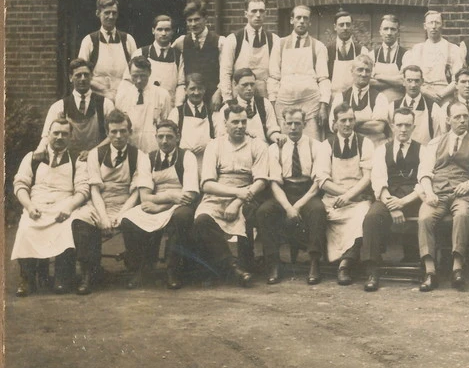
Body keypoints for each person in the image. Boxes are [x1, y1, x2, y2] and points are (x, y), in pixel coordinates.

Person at [194, 102, 269, 286]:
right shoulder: (214, 145)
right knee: (202, 220)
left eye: (243, 122)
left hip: (247, 194)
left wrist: (237, 201)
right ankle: (232, 266)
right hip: (218, 194)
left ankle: (243, 263)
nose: (240, 126)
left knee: (248, 213)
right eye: (235, 122)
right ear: (225, 123)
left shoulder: (257, 145)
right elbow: (207, 184)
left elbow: (261, 180)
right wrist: (236, 193)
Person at [119, 119, 199, 290]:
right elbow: (145, 195)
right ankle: (142, 268)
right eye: (161, 137)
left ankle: (172, 270)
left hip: (179, 205)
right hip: (161, 202)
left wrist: (163, 206)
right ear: (155, 137)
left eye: (169, 137)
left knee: (181, 216)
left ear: (178, 137)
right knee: (128, 220)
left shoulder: (187, 156)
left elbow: (190, 194)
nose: (164, 141)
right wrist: (170, 196)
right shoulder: (148, 158)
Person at [416, 101, 469, 292]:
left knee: (463, 215)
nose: (462, 120)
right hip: (437, 193)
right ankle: (430, 272)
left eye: (465, 116)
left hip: (461, 193)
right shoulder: (434, 143)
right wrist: (429, 192)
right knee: (424, 218)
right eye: (457, 117)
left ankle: (457, 268)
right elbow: (424, 172)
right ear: (448, 120)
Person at [12, 118, 89, 296]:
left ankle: (62, 278)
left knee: (66, 228)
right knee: (26, 228)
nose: (59, 137)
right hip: (36, 206)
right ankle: (27, 279)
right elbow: (20, 185)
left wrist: (69, 207)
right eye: (56, 133)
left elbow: (83, 190)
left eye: (64, 134)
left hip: (63, 206)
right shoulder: (33, 157)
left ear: (71, 137)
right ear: (48, 135)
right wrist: (29, 206)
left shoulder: (77, 159)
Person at [71, 110, 141, 294]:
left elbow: (136, 192)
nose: (118, 136)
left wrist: (121, 214)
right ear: (108, 133)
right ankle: (89, 272)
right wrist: (102, 217)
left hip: (126, 203)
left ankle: (136, 269)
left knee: (135, 219)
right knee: (81, 218)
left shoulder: (138, 155)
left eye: (123, 131)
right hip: (100, 202)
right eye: (114, 132)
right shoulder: (95, 154)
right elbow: (94, 189)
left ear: (130, 132)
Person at [258, 107, 329, 286]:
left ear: (304, 124)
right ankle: (274, 263)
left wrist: (298, 206)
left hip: (308, 191)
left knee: (318, 210)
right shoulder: (275, 148)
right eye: (289, 124)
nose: (293, 128)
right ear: (283, 125)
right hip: (284, 191)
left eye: (297, 123)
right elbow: (274, 182)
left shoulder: (316, 146)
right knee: (264, 211)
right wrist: (288, 207)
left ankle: (314, 262)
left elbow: (317, 182)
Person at [361, 108, 424, 292]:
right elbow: (379, 179)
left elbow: (423, 181)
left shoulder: (423, 150)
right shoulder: (382, 150)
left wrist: (403, 203)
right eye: (399, 125)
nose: (403, 129)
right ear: (392, 126)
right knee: (372, 217)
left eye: (407, 125)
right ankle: (372, 270)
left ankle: (421, 266)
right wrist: (392, 205)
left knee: (427, 216)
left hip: (413, 199)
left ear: (413, 127)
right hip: (388, 197)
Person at [317, 104, 374, 285]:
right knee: (324, 216)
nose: (348, 124)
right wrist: (343, 195)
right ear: (335, 123)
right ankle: (335, 260)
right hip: (334, 198)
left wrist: (350, 196)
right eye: (343, 120)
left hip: (357, 199)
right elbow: (323, 180)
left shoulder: (365, 143)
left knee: (362, 216)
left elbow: (367, 177)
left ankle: (345, 265)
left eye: (351, 120)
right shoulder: (326, 145)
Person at [268, 4, 331, 140]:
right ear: (292, 20)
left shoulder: (318, 47)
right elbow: (273, 77)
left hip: (310, 105)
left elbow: (323, 79)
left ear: (309, 22)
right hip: (285, 103)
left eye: (305, 18)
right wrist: (273, 105)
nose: (302, 21)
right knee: (285, 142)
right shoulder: (280, 44)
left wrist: (323, 106)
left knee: (312, 142)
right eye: (298, 18)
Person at [38, 58, 115, 156]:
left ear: (91, 77)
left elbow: (113, 135)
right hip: (68, 161)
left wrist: (93, 153)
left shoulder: (106, 104)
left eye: (86, 75)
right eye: (78, 75)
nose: (82, 78)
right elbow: (46, 136)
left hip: (97, 158)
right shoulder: (58, 106)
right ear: (71, 78)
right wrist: (39, 150)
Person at [78, 0, 137, 101]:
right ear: (97, 13)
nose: (111, 16)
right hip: (97, 97)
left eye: (114, 13)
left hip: (125, 98)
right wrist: (105, 92)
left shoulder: (128, 40)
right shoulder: (89, 41)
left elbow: (137, 70)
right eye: (106, 12)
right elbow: (81, 72)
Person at [219, 0, 276, 103]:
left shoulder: (274, 40)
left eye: (261, 11)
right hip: (239, 97)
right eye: (254, 11)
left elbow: (275, 75)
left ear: (265, 14)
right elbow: (225, 72)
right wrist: (227, 99)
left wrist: (273, 99)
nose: (258, 15)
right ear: (246, 14)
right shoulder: (233, 39)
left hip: (265, 97)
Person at [372, 64, 444, 146]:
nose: (413, 85)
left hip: (424, 155)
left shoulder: (433, 108)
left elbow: (437, 141)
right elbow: (390, 136)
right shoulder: (393, 107)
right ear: (403, 82)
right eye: (409, 80)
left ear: (422, 82)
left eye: (416, 81)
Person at [402, 9, 463, 103]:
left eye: (437, 23)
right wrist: (426, 92)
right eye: (430, 23)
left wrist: (441, 94)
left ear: (442, 25)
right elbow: (408, 77)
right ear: (425, 26)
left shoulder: (453, 49)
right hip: (422, 95)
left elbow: (458, 79)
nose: (434, 26)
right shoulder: (417, 49)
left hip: (445, 97)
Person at [115, 56, 173, 154]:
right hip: (130, 150)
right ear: (129, 74)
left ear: (149, 73)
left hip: (154, 149)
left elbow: (167, 126)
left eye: (143, 76)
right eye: (135, 76)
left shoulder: (162, 94)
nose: (139, 80)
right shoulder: (122, 96)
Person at [329, 54, 388, 147]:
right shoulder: (340, 97)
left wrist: (346, 123)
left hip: (374, 147)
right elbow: (335, 127)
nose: (364, 74)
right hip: (348, 146)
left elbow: (378, 127)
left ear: (371, 73)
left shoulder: (380, 98)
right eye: (360, 70)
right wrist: (366, 120)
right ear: (352, 71)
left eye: (367, 70)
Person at [173, 0, 223, 105]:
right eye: (189, 20)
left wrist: (219, 93)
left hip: (213, 98)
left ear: (205, 19)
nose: (193, 24)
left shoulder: (220, 42)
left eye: (197, 19)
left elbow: (226, 72)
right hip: (191, 98)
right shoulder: (181, 42)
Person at [216, 68, 282, 145]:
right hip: (238, 150)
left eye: (252, 84)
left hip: (263, 149)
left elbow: (272, 128)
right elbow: (222, 136)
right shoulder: (227, 108)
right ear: (235, 85)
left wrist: (277, 137)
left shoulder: (264, 103)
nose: (249, 88)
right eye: (245, 85)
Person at [132, 15, 186, 106]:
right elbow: (130, 80)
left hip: (169, 105)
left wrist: (177, 106)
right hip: (146, 104)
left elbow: (181, 84)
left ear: (173, 31)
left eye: (167, 30)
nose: (163, 33)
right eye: (159, 29)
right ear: (153, 31)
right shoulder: (141, 53)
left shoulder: (178, 56)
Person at [169, 73, 215, 161]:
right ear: (186, 90)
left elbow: (220, 138)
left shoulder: (212, 113)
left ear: (204, 90)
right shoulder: (177, 112)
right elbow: (169, 136)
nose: (196, 92)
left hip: (206, 160)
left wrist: (207, 144)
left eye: (200, 88)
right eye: (192, 89)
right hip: (182, 160)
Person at [328, 9, 371, 95]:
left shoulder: (362, 50)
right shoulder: (327, 50)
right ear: (335, 27)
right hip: (333, 97)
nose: (345, 28)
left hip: (354, 97)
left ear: (352, 26)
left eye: (348, 24)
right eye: (341, 25)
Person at [370, 14, 407, 104]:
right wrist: (395, 83)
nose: (389, 33)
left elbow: (404, 81)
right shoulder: (372, 54)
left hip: (398, 104)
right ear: (380, 31)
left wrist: (379, 77)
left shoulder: (406, 54)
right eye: (386, 29)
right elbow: (369, 81)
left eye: (393, 29)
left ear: (398, 32)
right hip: (376, 103)